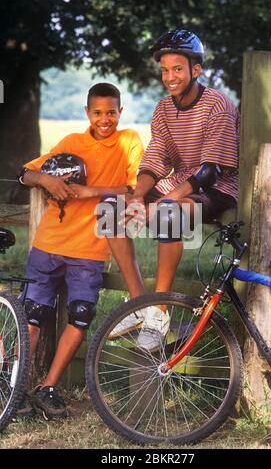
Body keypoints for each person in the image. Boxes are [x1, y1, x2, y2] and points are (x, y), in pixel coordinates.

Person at [16, 82, 144, 419]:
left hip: (90, 250)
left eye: (112, 112)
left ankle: (49, 386)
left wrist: (90, 192)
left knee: (81, 317)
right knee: (32, 316)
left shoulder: (129, 141)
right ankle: (13, 386)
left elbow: (135, 187)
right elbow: (25, 174)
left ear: (121, 111)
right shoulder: (72, 142)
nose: (105, 119)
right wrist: (46, 180)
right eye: (98, 112)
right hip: (49, 245)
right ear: (88, 112)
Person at [107, 29, 240, 352]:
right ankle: (140, 306)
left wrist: (164, 201)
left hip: (216, 187)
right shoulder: (163, 109)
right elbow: (156, 158)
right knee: (112, 209)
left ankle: (160, 313)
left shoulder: (218, 104)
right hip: (180, 181)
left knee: (167, 215)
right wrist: (138, 195)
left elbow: (210, 171)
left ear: (196, 69)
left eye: (177, 69)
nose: (170, 77)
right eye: (165, 70)